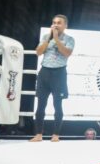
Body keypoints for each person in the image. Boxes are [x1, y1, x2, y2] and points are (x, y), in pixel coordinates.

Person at [30, 15, 75, 143]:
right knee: (40, 105)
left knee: (57, 104)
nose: (55, 25)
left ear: (65, 25)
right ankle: (38, 134)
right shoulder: (46, 37)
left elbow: (66, 53)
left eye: (59, 23)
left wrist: (56, 38)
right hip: (44, 72)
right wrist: (49, 38)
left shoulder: (69, 39)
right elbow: (38, 52)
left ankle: (56, 135)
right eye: (54, 22)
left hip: (59, 73)